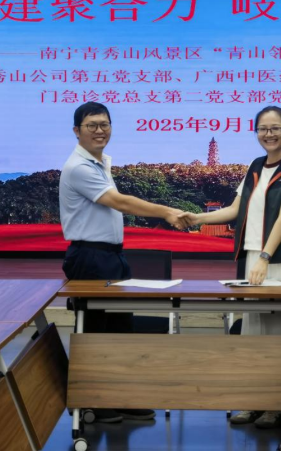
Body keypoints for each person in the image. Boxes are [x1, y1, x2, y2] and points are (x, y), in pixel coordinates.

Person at [181, 106, 281, 429]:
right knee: (257, 329)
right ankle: (258, 399)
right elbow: (234, 210)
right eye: (263, 129)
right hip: (255, 257)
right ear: (256, 132)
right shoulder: (255, 167)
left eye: (276, 128)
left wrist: (266, 257)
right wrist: (196, 218)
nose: (269, 134)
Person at [59, 101, 188, 423]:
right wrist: (167, 212)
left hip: (111, 256)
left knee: (120, 328)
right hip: (90, 257)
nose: (99, 130)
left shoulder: (100, 163)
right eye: (91, 125)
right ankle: (93, 402)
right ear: (77, 131)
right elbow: (118, 202)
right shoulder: (79, 167)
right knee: (95, 332)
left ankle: (119, 396)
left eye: (104, 124)